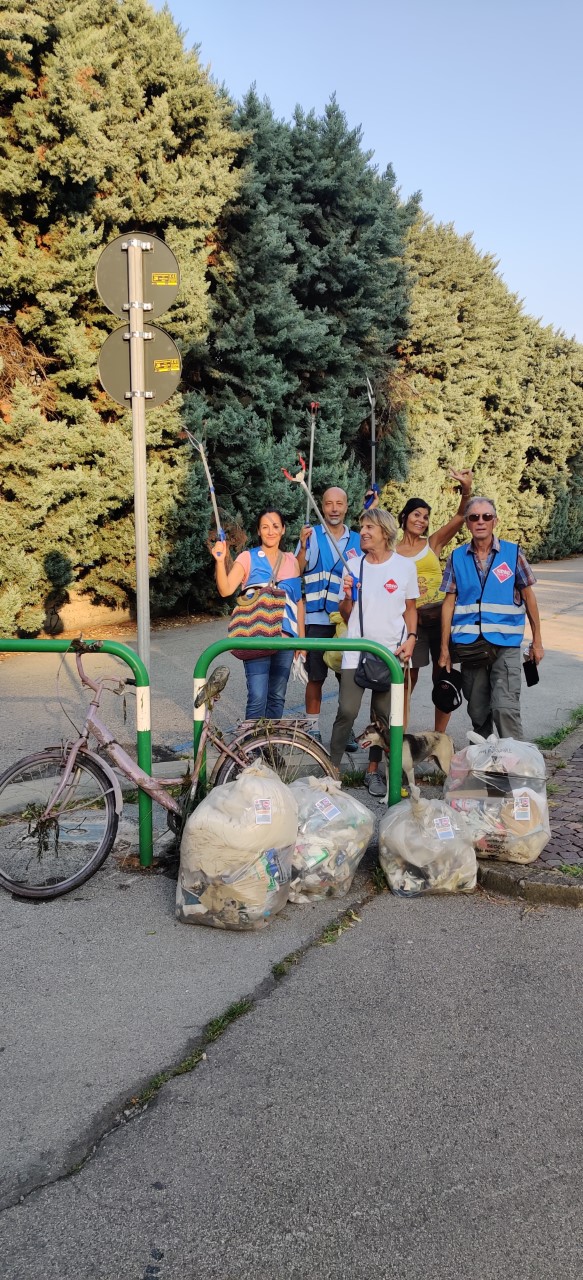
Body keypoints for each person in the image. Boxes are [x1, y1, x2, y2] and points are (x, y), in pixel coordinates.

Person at [329, 508, 418, 796]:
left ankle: (380, 773)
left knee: (384, 718)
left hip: (391, 653)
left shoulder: (405, 567)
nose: (363, 531)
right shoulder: (353, 565)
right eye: (362, 526)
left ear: (386, 533)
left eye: (370, 527)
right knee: (346, 711)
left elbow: (410, 609)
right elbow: (345, 614)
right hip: (356, 650)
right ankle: (331, 772)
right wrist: (348, 595)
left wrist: (412, 639)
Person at [438, 496, 544, 739]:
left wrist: (537, 641)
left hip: (505, 643)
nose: (481, 521)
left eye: (486, 516)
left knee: (505, 709)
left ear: (495, 521)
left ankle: (516, 768)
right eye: (474, 517)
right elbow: (449, 603)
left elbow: (529, 597)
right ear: (467, 523)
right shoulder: (457, 557)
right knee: (477, 712)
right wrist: (444, 648)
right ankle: (486, 766)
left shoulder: (513, 553)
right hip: (470, 646)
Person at [395, 467, 473, 732]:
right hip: (411, 623)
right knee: (407, 679)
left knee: (443, 677)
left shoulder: (433, 543)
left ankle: (439, 738)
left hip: (440, 617)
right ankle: (400, 740)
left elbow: (462, 515)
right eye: (417, 514)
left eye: (426, 517)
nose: (422, 520)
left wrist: (466, 489)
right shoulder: (392, 551)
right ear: (404, 517)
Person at [212, 510, 305, 720]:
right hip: (256, 636)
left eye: (275, 526)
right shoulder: (248, 557)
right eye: (265, 527)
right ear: (258, 531)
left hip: (285, 641)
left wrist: (301, 641)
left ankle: (269, 750)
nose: (270, 531)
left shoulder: (292, 561)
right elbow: (226, 589)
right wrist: (219, 561)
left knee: (277, 696)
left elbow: (299, 603)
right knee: (257, 696)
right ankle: (251, 747)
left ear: (283, 529)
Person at [296, 487, 361, 744]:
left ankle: (346, 729)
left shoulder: (358, 540)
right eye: (328, 504)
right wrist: (301, 546)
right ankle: (312, 727)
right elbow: (297, 570)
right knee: (315, 677)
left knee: (348, 679)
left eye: (339, 504)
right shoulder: (311, 536)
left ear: (346, 507)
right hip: (316, 620)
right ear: (321, 507)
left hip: (346, 620)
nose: (334, 509)